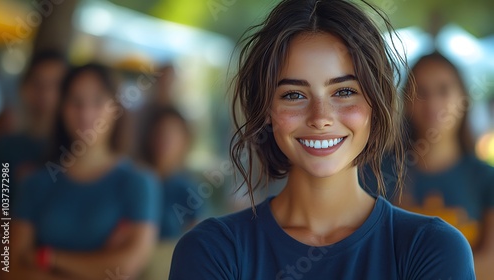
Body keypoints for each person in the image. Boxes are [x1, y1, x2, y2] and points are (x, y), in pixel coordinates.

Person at [169, 0, 475, 279]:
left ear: (377, 102)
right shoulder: (212, 250)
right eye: (294, 95)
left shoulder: (433, 248)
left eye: (343, 92)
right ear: (266, 110)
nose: (320, 117)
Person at [9, 63, 160, 280]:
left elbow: (128, 265)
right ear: (62, 108)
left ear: (115, 107)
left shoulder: (138, 182)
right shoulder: (34, 182)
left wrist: (48, 258)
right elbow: (10, 267)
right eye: (75, 101)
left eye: (98, 101)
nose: (85, 112)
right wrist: (95, 267)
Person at [397, 52, 494, 279]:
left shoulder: (486, 178)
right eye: (421, 92)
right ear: (406, 102)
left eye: (443, 90)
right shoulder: (381, 174)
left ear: (463, 99)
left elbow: (491, 266)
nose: (433, 103)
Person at [0, 50, 67, 210]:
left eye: (55, 85)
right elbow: (2, 208)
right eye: (38, 83)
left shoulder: (80, 149)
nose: (46, 93)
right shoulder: (7, 148)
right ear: (25, 88)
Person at [138, 106, 201, 240]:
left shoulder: (188, 189)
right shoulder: (135, 182)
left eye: (172, 133)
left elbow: (197, 237)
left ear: (185, 140)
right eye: (160, 132)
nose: (165, 139)